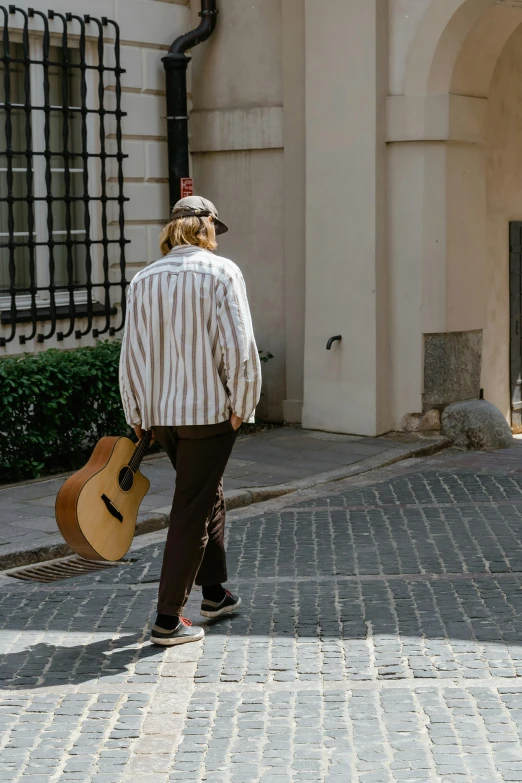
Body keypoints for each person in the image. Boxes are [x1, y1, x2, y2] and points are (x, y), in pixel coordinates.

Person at [119, 196, 262, 646]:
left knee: (205, 492)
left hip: (164, 417)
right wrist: (244, 404)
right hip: (208, 414)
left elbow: (133, 354)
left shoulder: (143, 279)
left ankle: (215, 594)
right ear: (205, 229)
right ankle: (167, 618)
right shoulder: (223, 272)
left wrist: (137, 411)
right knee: (192, 507)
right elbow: (238, 345)